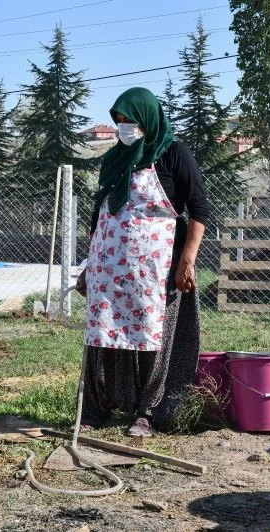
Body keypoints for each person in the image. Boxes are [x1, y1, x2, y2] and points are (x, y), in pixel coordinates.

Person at [76, 87, 209, 437]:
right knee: (102, 333)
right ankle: (96, 407)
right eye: (118, 120)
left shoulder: (173, 153)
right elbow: (100, 216)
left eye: (130, 120)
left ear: (147, 118)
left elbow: (199, 211)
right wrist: (89, 267)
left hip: (155, 267)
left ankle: (145, 412)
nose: (124, 127)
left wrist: (187, 261)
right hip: (109, 266)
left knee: (152, 336)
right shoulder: (116, 159)